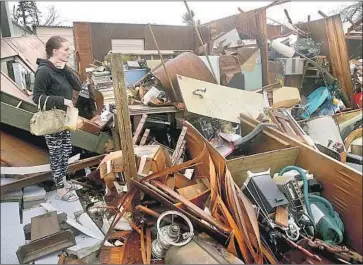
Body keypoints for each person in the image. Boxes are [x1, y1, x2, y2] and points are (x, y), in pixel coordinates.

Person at [33, 36, 82, 202]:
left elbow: (78, 86)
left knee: (66, 150)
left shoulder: (62, 69)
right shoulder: (44, 71)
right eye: (66, 49)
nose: (69, 52)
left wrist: (66, 68)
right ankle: (60, 189)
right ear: (55, 51)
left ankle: (64, 182)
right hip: (54, 119)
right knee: (57, 154)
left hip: (66, 117)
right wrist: (62, 101)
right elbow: (37, 97)